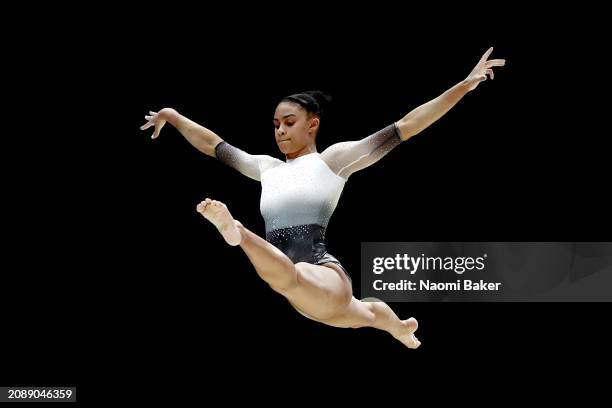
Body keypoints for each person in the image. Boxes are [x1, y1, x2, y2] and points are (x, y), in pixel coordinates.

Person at [141, 47, 505, 349]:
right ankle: (399, 328)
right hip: (305, 299)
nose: (280, 131)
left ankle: (235, 232)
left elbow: (407, 126)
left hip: (320, 273)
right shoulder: (267, 169)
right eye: (276, 125)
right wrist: (173, 116)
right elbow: (213, 145)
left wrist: (462, 87)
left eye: (289, 122)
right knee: (363, 314)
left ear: (312, 124)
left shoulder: (333, 161)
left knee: (293, 278)